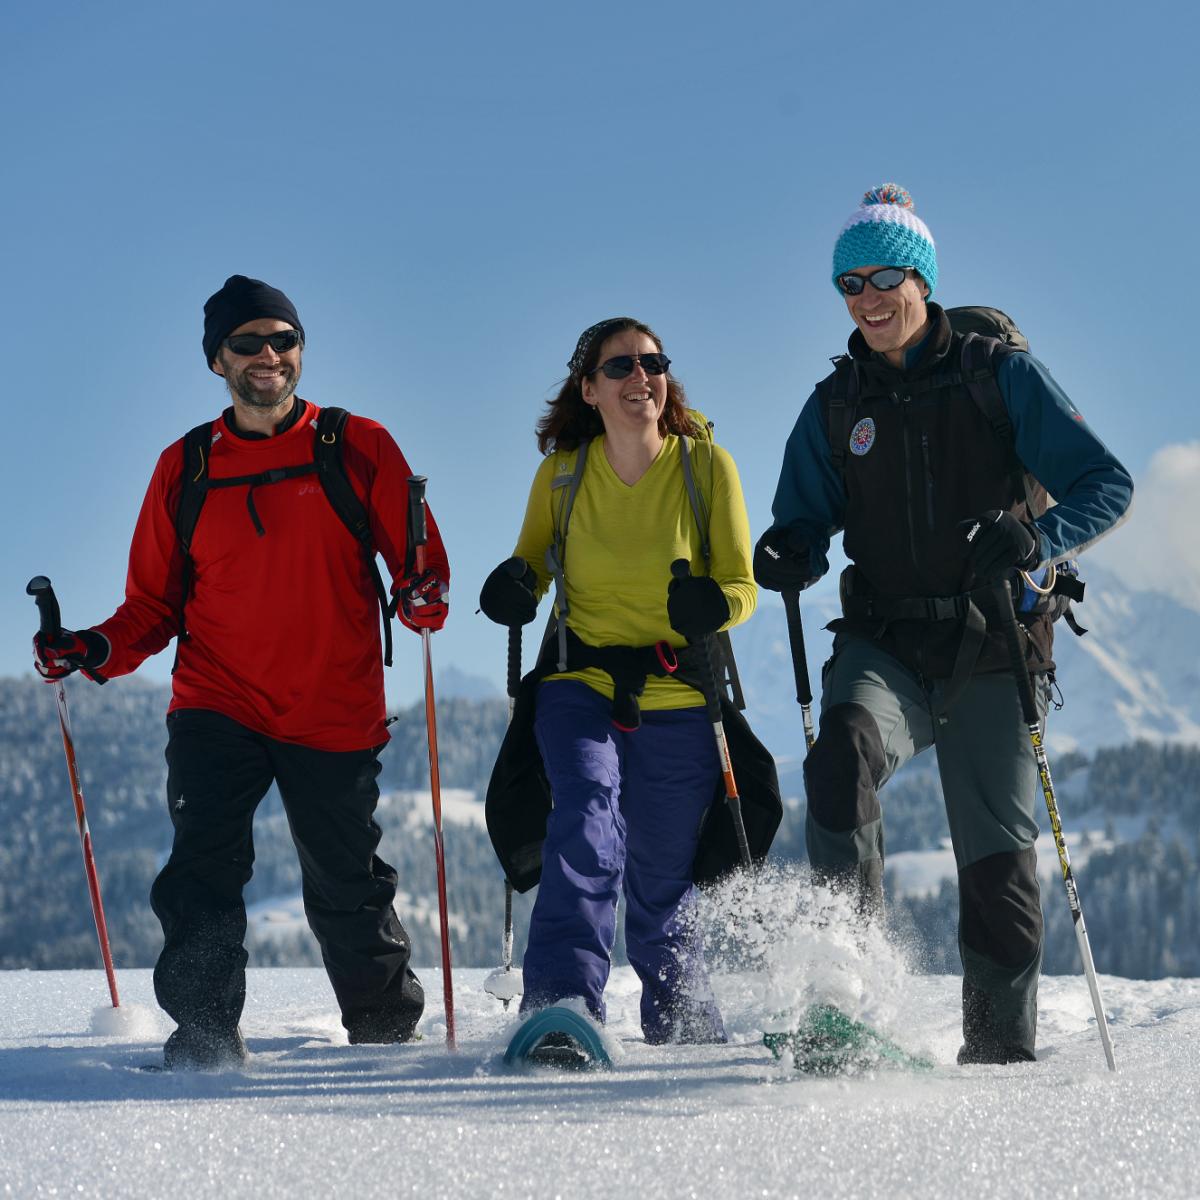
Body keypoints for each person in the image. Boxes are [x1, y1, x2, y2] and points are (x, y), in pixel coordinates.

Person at [753, 186, 1133, 1064]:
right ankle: (848, 999)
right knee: (840, 753)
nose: (868, 296)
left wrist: (1037, 536)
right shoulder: (836, 406)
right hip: (884, 644)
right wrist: (789, 553)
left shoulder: (996, 375)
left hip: (995, 643)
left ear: (922, 277)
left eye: (885, 274)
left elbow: (1104, 484)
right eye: (850, 281)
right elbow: (800, 524)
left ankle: (999, 1061)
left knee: (998, 873)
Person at [32, 275, 450, 1069]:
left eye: (283, 340)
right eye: (249, 343)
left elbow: (421, 571)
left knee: (346, 883)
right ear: (216, 359)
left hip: (333, 706)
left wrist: (424, 596)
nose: (270, 356)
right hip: (216, 703)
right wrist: (91, 649)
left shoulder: (358, 444)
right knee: (201, 872)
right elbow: (152, 606)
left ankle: (385, 1037)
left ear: (300, 351)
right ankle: (206, 1038)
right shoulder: (185, 466)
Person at [479, 317, 757, 1043]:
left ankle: (685, 1022)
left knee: (663, 879)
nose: (641, 376)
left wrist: (716, 605)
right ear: (589, 389)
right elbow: (532, 566)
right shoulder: (564, 474)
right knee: (586, 825)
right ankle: (563, 1010)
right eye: (621, 366)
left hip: (681, 693)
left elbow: (741, 584)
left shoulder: (706, 468)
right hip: (580, 682)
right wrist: (514, 585)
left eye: (653, 362)